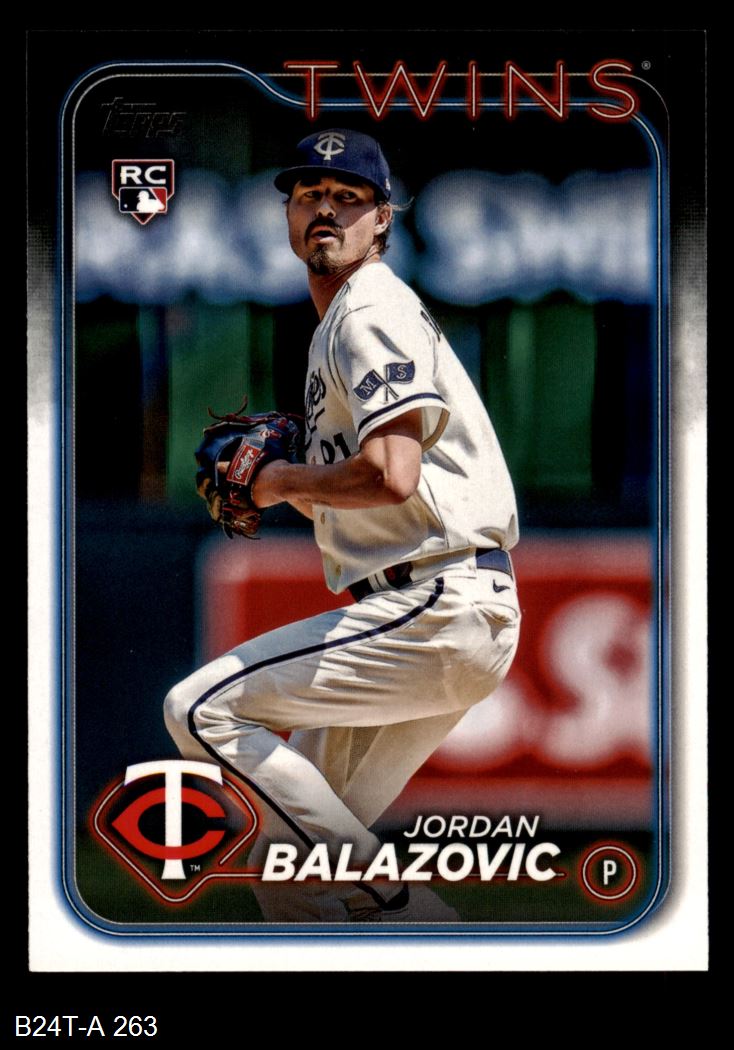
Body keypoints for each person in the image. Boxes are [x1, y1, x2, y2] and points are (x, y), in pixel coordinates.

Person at [164, 128, 521, 923]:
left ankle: (384, 885)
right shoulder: (346, 322)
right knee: (289, 871)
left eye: (347, 197)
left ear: (382, 218)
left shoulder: (368, 312)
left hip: (436, 603)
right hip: (441, 606)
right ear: (289, 216)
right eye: (308, 196)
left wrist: (275, 481)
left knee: (200, 708)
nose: (325, 209)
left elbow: (390, 475)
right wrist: (291, 485)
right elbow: (379, 486)